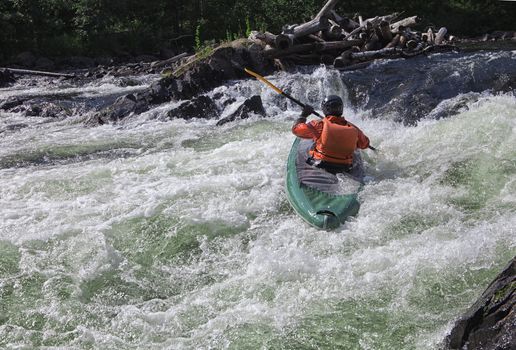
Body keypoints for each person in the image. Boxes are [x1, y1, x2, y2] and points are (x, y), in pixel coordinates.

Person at [292, 95, 370, 174]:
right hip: (344, 168)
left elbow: (296, 130)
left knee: (312, 145)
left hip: (321, 165)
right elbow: (365, 144)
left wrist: (303, 115)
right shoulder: (354, 129)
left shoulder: (319, 124)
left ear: (325, 109)